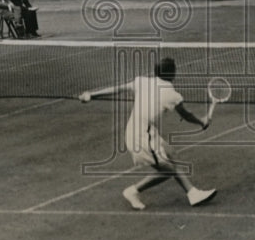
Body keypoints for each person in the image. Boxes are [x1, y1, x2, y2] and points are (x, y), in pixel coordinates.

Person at [79, 57, 216, 210]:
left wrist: (91, 95)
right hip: (141, 138)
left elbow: (118, 88)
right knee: (168, 170)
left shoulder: (141, 81)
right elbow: (187, 115)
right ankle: (133, 191)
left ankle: (192, 193)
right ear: (173, 74)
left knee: (171, 153)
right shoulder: (172, 95)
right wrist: (202, 122)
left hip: (140, 130)